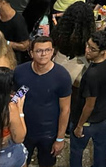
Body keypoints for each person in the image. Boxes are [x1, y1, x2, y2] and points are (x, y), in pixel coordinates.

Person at [14, 36, 72, 167]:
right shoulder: (20, 72)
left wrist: (60, 138)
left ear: (53, 52)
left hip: (48, 133)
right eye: (39, 51)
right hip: (24, 130)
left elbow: (65, 109)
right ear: (31, 53)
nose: (43, 54)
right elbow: (16, 98)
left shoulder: (62, 76)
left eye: (47, 50)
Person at [70, 30, 106, 167]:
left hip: (89, 121)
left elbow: (89, 105)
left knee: (76, 151)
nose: (87, 50)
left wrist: (79, 126)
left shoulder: (92, 75)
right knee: (101, 149)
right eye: (87, 45)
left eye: (92, 49)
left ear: (102, 51)